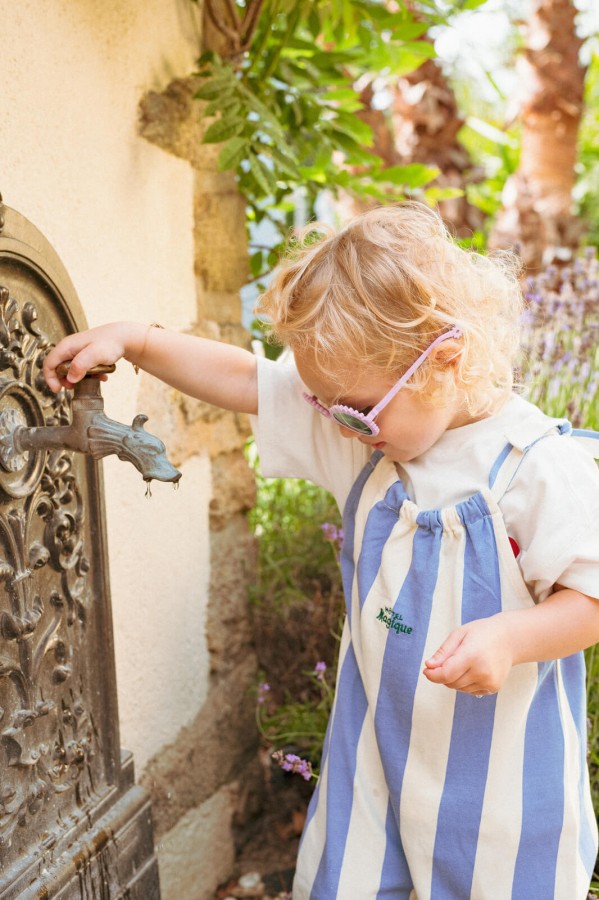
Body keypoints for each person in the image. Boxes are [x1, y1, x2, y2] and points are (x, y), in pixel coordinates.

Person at [44, 202, 599, 899]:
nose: (340, 424)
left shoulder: (534, 469)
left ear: (444, 359)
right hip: (373, 761)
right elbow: (252, 382)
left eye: (355, 408)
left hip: (501, 790)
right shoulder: (370, 442)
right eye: (326, 404)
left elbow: (589, 597)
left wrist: (512, 636)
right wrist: (136, 341)